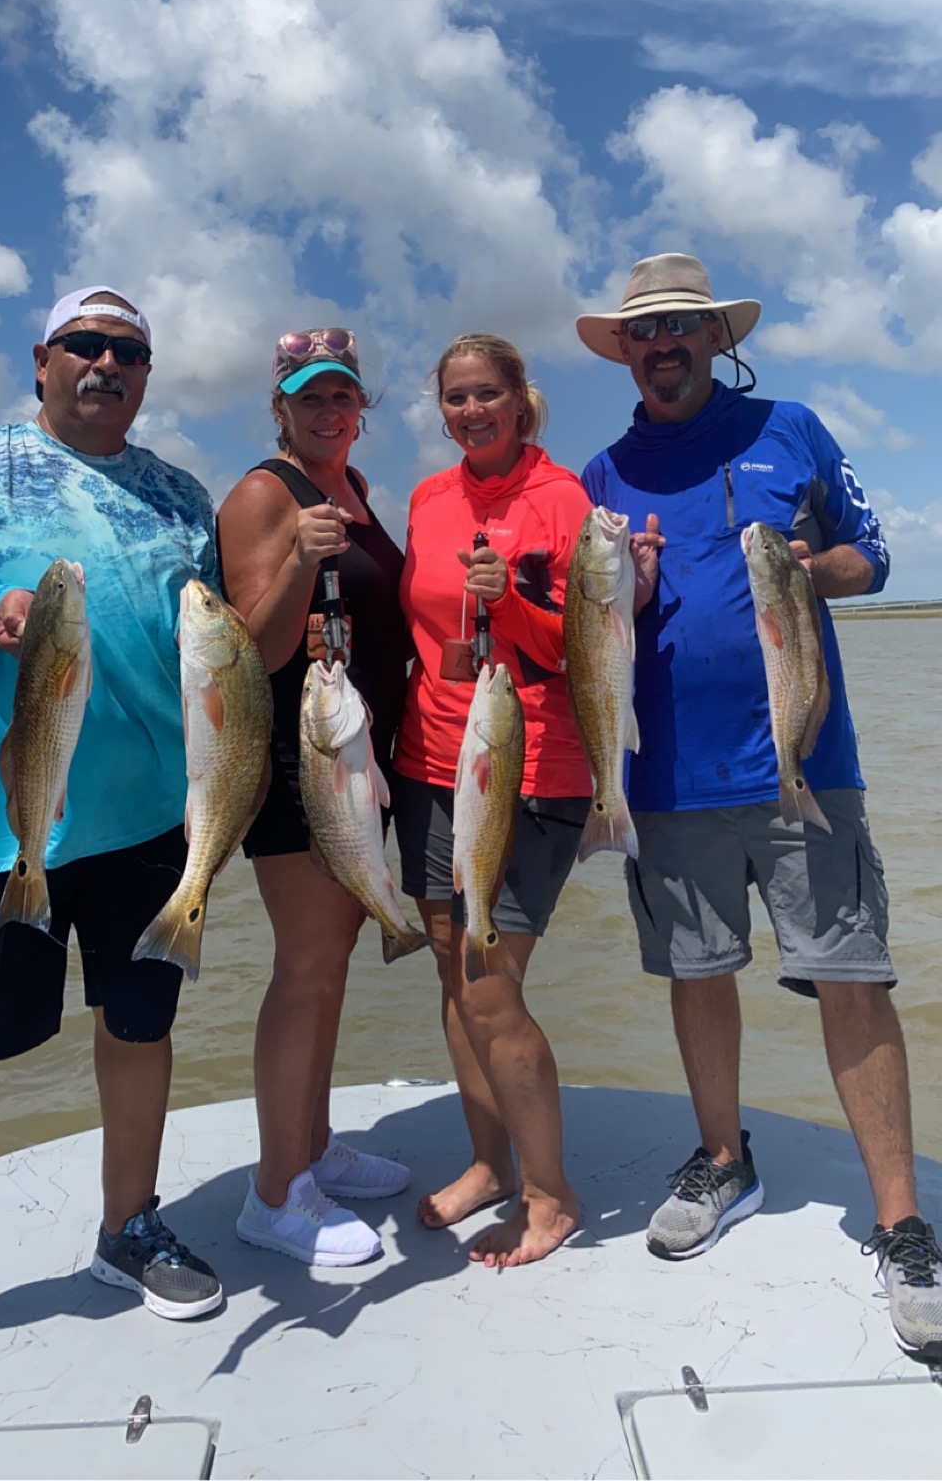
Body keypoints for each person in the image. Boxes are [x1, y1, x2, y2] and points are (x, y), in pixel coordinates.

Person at [577, 251, 942, 1364]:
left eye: (684, 324)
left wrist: (813, 567)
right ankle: (723, 1157)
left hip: (805, 761)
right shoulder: (602, 471)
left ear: (715, 337)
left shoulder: (793, 427)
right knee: (696, 976)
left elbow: (872, 559)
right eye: (646, 331)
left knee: (852, 975)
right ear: (625, 350)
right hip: (669, 779)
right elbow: (583, 628)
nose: (665, 343)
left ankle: (901, 1222)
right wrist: (616, 586)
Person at [0, 287, 223, 1320]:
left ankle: (128, 1227)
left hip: (148, 824)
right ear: (41, 358)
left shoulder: (181, 494)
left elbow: (214, 645)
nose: (104, 363)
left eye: (127, 350)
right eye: (83, 344)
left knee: (138, 1025)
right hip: (8, 827)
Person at [393, 333, 593, 1268]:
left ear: (520, 400)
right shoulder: (430, 498)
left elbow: (577, 648)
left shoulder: (560, 501)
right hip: (429, 760)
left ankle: (551, 1195)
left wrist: (507, 602)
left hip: (529, 763)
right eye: (456, 399)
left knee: (489, 984)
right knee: (451, 973)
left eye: (487, 396)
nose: (471, 412)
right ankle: (489, 1162)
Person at [216, 329, 409, 1268]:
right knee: (305, 966)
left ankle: (315, 1144)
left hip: (358, 754)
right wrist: (297, 558)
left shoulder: (357, 491)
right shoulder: (265, 493)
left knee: (331, 958)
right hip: (301, 765)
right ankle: (273, 1191)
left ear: (360, 409)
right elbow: (253, 651)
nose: (330, 412)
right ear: (280, 407)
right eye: (310, 398)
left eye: (344, 398)